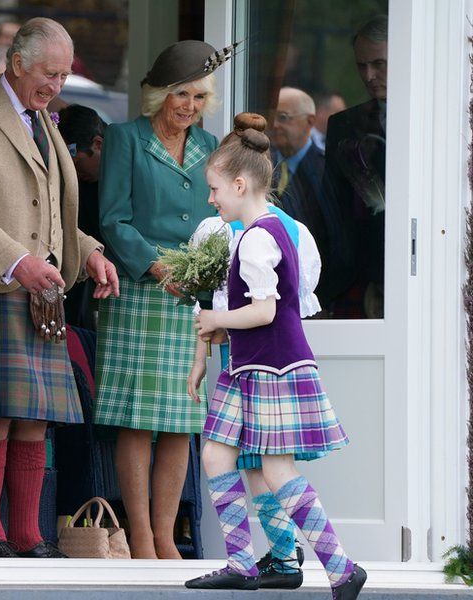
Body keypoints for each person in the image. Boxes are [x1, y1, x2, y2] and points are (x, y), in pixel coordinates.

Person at [0, 17, 119, 558]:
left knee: (35, 415)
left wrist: (89, 253)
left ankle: (27, 534)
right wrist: (18, 262)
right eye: (50, 74)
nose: (56, 86)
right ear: (17, 63)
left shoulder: (46, 122)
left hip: (43, 292)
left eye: (64, 76)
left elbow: (59, 213)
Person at [184, 114, 366, 600]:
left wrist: (218, 322)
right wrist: (215, 336)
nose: (211, 198)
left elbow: (264, 312)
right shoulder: (255, 231)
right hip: (250, 367)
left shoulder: (260, 237)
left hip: (273, 367)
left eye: (215, 188)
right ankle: (243, 563)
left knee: (277, 469)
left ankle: (341, 567)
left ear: (240, 184)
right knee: (216, 453)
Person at [94, 40, 226, 559]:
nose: (189, 105)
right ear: (158, 95)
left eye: (197, 95)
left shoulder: (211, 143)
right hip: (139, 290)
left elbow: (216, 220)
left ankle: (167, 537)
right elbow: (112, 218)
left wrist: (201, 272)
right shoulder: (126, 139)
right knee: (138, 417)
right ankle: (140, 536)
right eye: (180, 94)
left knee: (180, 419)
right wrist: (155, 264)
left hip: (187, 296)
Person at [319, 15, 388, 318]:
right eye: (362, 65)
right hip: (356, 277)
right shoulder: (344, 126)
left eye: (379, 63)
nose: (369, 75)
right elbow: (331, 211)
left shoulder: (438, 119)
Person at [56, 103, 106, 329]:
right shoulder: (76, 182)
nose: (73, 174)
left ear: (98, 144)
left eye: (76, 163)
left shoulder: (123, 179)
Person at [268, 87, 329, 255]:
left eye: (283, 118)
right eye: (273, 117)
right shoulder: (260, 162)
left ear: (310, 121)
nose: (274, 125)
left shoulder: (327, 169)